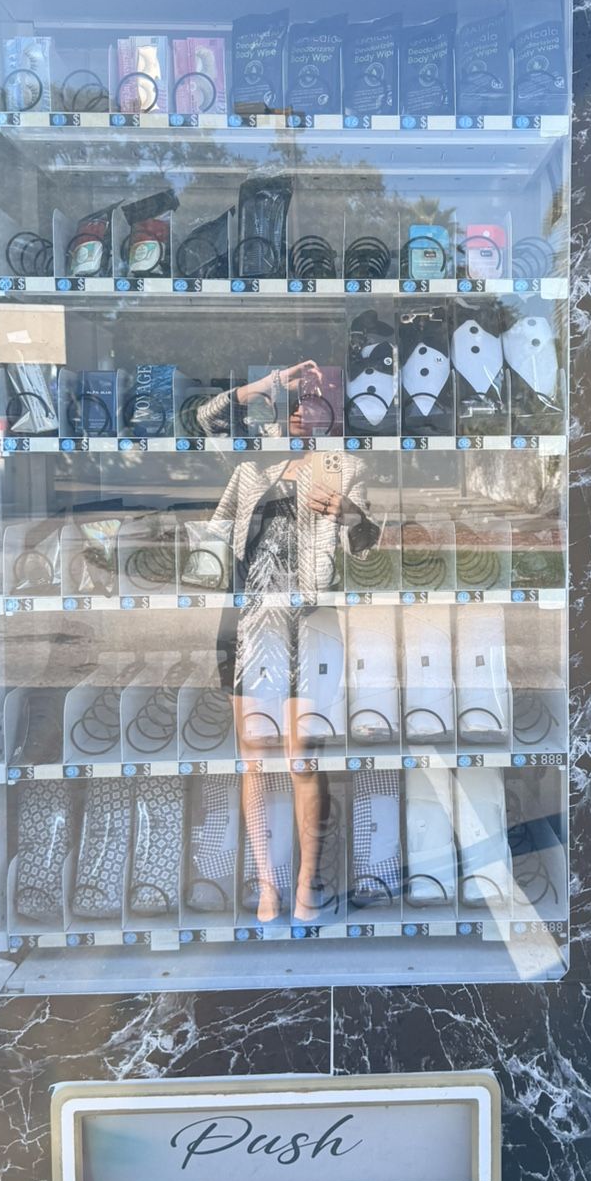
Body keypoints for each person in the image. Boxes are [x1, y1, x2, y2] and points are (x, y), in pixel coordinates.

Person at [194, 362, 381, 921]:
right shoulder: (253, 465)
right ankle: (267, 885)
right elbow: (205, 423)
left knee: (302, 761)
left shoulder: (347, 468)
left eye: (320, 397)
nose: (305, 405)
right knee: (254, 762)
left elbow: (369, 552)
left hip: (310, 631)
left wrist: (348, 514)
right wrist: (255, 387)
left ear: (338, 411)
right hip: (247, 627)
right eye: (297, 396)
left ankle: (309, 882)